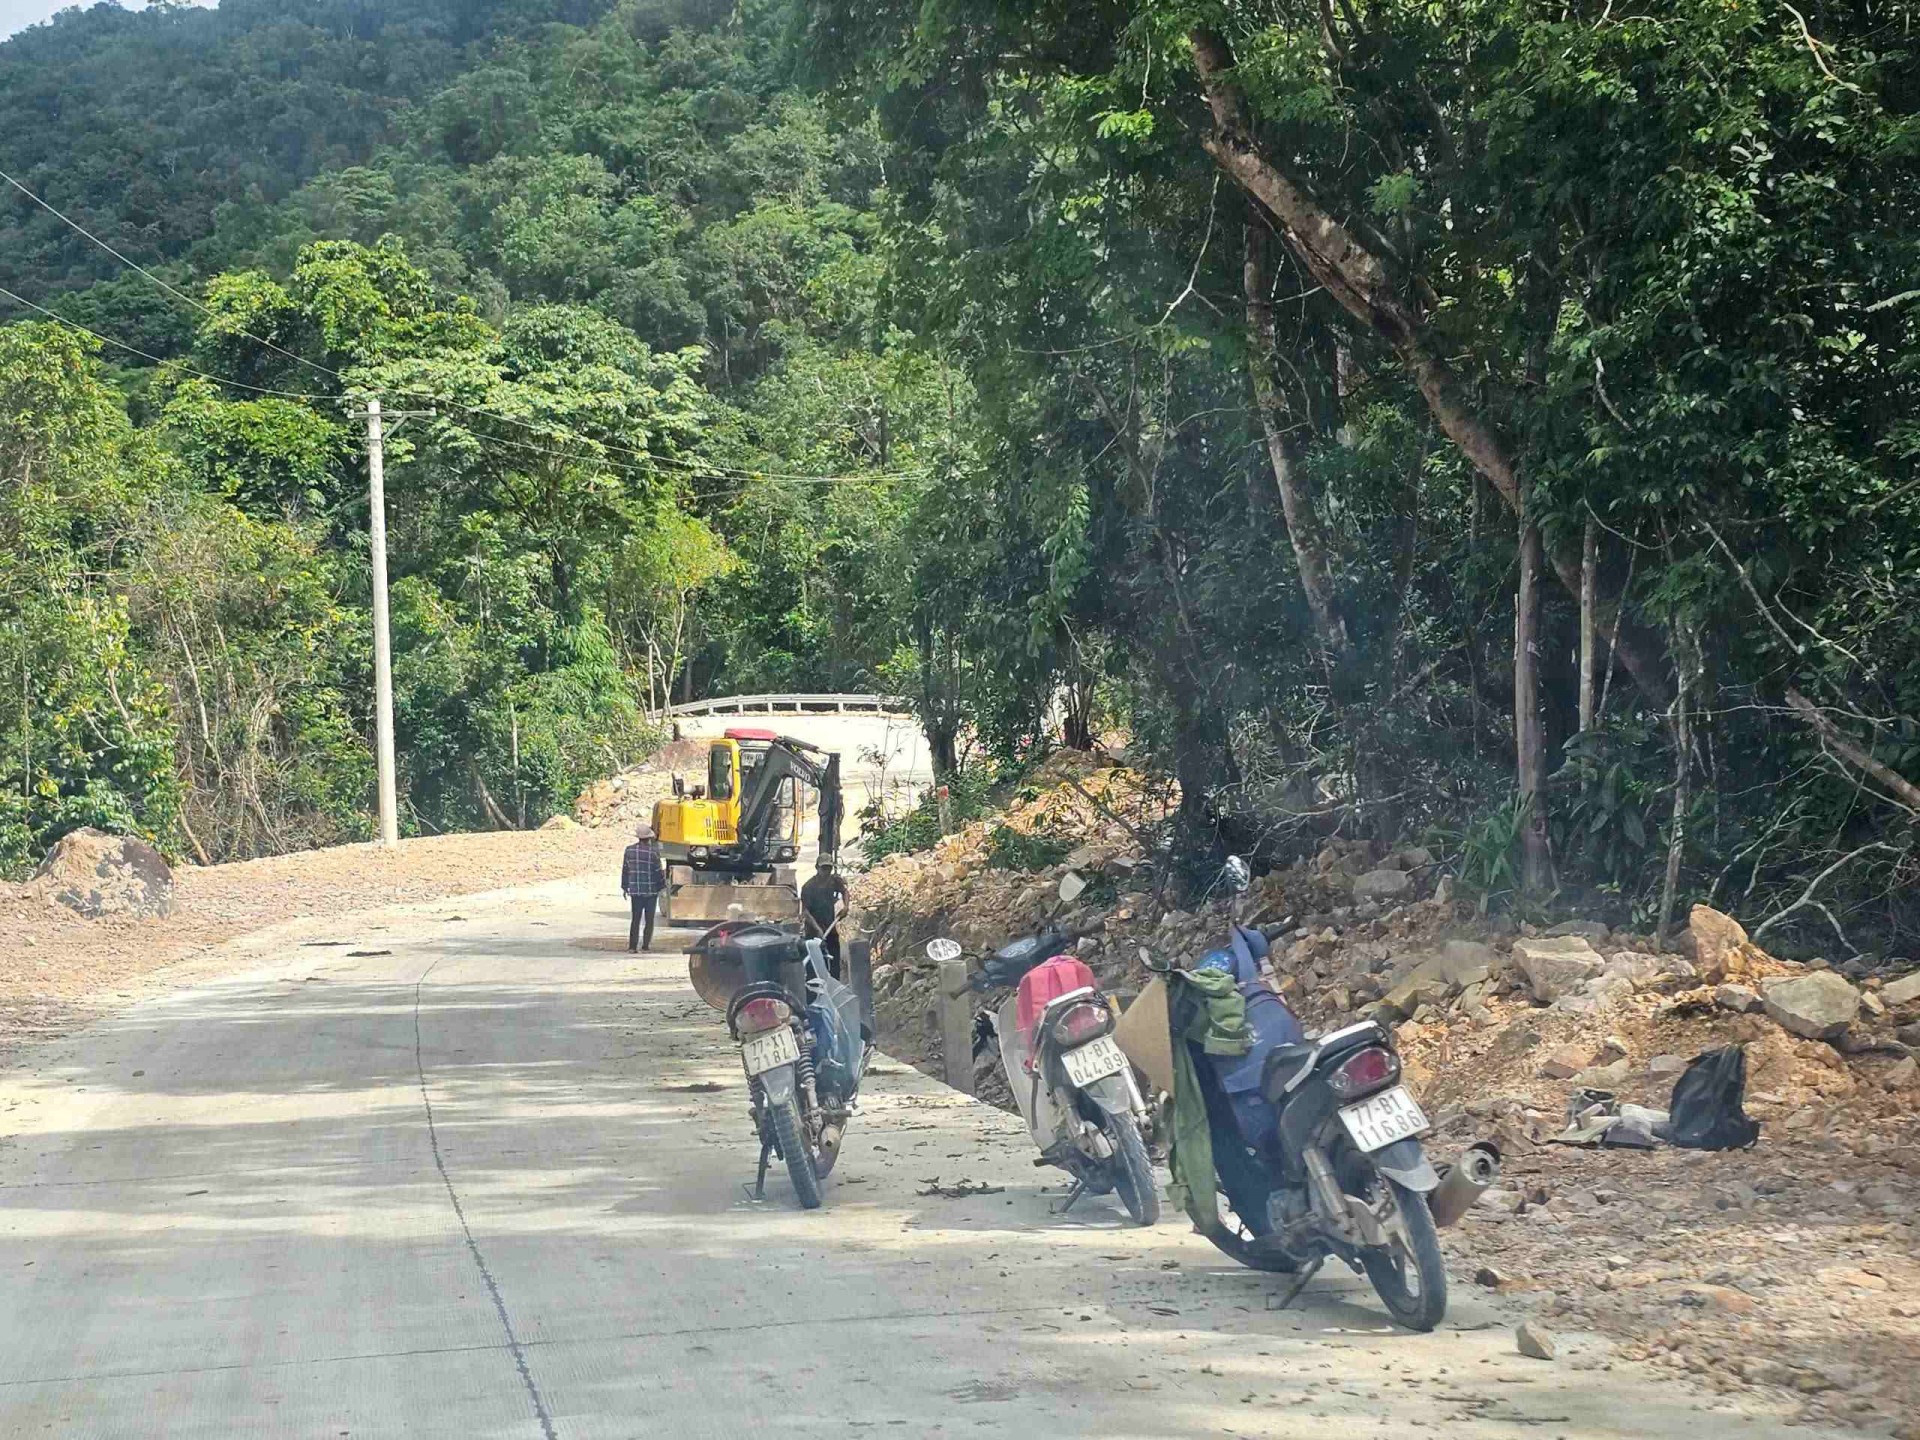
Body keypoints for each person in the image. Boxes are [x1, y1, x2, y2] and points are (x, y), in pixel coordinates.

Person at [799, 858, 849, 977]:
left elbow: (845, 892)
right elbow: (805, 912)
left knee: (834, 963)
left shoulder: (834, 881)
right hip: (813, 932)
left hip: (830, 929)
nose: (826, 871)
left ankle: (834, 988)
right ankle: (813, 992)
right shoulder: (809, 887)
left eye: (829, 868)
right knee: (814, 966)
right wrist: (818, 930)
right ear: (817, 868)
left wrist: (846, 907)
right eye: (823, 868)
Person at [622, 822, 667, 952]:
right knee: (649, 920)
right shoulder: (653, 853)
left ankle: (632, 947)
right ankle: (645, 946)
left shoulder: (629, 850)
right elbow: (658, 872)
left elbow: (625, 870)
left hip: (635, 891)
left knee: (635, 919)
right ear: (649, 838)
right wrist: (662, 887)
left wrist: (625, 887)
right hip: (650, 892)